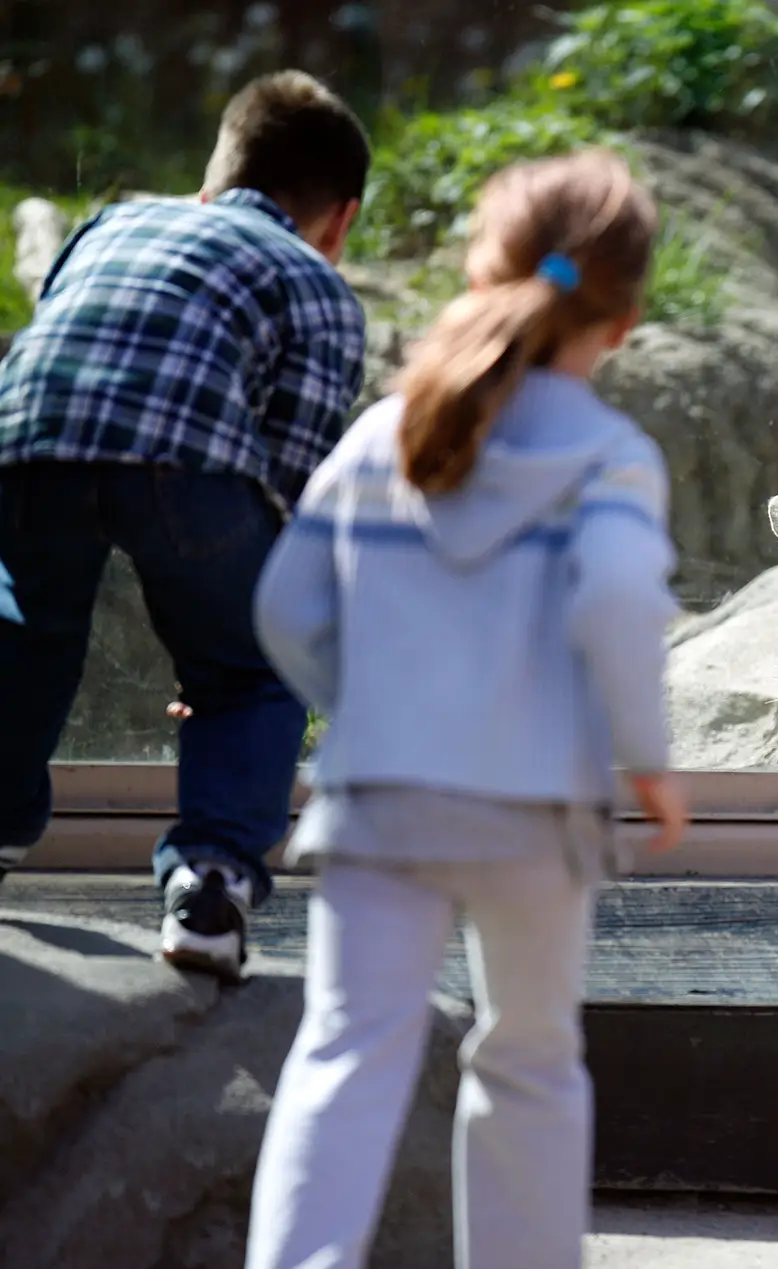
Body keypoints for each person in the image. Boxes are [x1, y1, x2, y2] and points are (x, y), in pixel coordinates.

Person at [242, 148, 691, 1269]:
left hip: (379, 801)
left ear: (482, 275)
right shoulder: (611, 458)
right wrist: (646, 759)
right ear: (626, 322)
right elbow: (621, 598)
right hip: (532, 812)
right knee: (530, 1061)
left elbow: (287, 605)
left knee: (345, 1051)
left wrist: (372, 710)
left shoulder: (386, 434)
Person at [0, 70, 370, 980]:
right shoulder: (319, 288)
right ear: (342, 221)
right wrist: (232, 626)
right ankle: (209, 887)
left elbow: (61, 344)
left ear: (211, 179)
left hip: (26, 440)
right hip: (187, 469)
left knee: (25, 634)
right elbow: (290, 494)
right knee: (253, 669)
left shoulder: (113, 222)